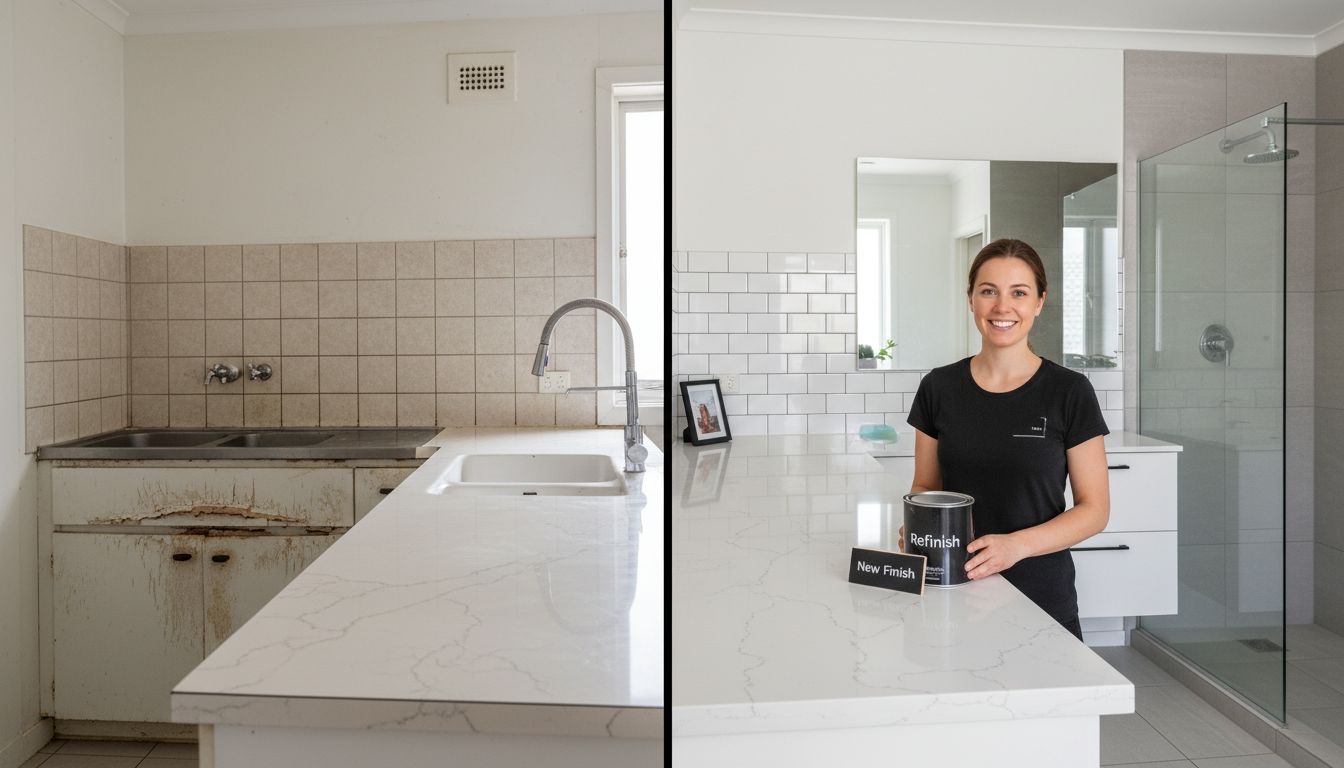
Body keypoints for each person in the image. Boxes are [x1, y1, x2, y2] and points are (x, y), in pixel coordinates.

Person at [901, 238, 1111, 642]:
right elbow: (926, 487)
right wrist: (918, 527)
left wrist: (1014, 547)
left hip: (1042, 598)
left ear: (1039, 302)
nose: (1002, 307)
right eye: (988, 292)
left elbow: (1095, 510)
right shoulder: (938, 387)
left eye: (1019, 293)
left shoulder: (1070, 392)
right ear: (971, 300)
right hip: (955, 596)